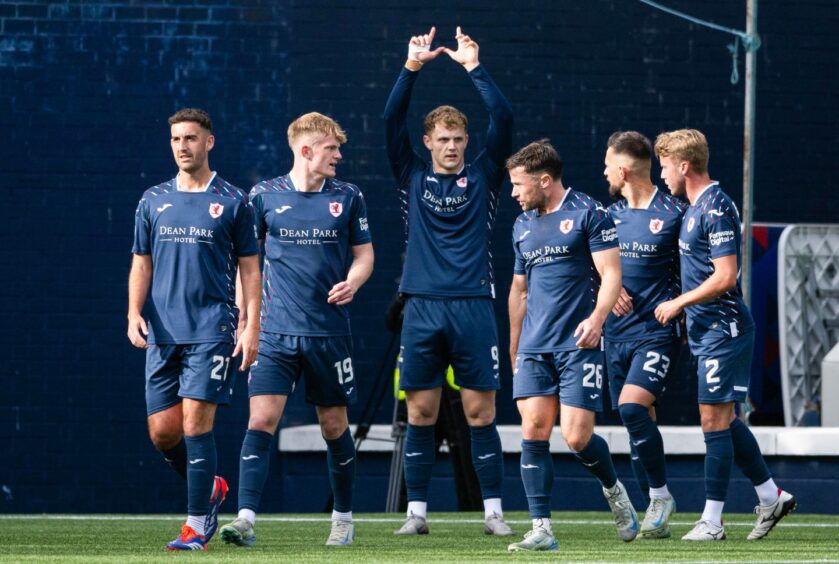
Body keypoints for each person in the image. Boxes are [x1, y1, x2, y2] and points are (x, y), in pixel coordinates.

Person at [218, 112, 374, 547]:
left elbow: (365, 255)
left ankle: (342, 518)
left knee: (333, 426)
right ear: (306, 151)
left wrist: (355, 280)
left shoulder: (349, 196)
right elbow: (247, 265)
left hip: (328, 333)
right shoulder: (263, 197)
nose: (339, 156)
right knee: (261, 418)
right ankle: (245, 518)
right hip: (274, 332)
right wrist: (245, 320)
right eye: (331, 149)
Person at [383, 26, 514, 536]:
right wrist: (411, 66)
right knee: (420, 411)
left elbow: (502, 117)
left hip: (474, 305)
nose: (454, 146)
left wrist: (473, 67)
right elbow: (390, 117)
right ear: (428, 142)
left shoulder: (484, 175)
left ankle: (494, 513)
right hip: (421, 306)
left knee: (481, 413)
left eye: (460, 139)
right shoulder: (409, 175)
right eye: (444, 139)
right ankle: (417, 514)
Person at [127, 108, 261, 551]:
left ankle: (195, 525)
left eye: (190, 138)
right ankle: (212, 488)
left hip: (212, 329)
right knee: (163, 433)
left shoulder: (233, 200)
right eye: (176, 139)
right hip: (163, 334)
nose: (182, 146)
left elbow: (250, 270)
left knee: (194, 424)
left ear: (209, 142)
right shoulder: (152, 200)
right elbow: (141, 262)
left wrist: (251, 325)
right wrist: (133, 312)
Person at [653, 129, 796, 541]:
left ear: (684, 166)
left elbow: (726, 276)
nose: (663, 175)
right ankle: (771, 496)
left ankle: (712, 521)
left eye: (665, 166)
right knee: (725, 419)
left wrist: (679, 303)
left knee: (712, 419)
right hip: (706, 331)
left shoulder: (715, 207)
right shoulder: (694, 206)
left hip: (725, 329)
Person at [506, 139, 638, 552]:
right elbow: (519, 291)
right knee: (533, 428)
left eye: (519, 184)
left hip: (577, 344)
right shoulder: (522, 224)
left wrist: (597, 320)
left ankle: (614, 490)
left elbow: (611, 274)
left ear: (545, 180)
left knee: (577, 438)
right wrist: (513, 346)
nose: (514, 193)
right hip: (533, 346)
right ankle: (541, 527)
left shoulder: (589, 212)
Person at [603, 131, 686, 538]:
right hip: (615, 335)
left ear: (622, 169)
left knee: (633, 408)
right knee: (635, 421)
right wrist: (607, 289)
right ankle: (656, 506)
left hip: (656, 334)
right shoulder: (607, 216)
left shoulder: (674, 213)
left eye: (607, 165)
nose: (604, 172)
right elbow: (592, 270)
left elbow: (697, 270)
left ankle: (661, 495)